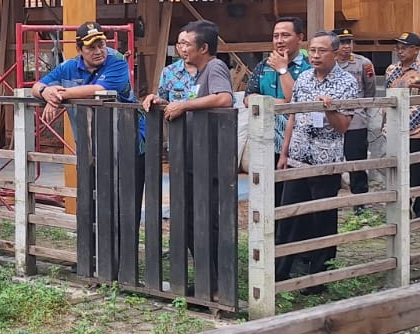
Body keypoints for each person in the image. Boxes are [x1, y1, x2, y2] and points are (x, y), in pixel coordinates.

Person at [141, 20, 233, 262]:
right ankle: (203, 269)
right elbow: (167, 101)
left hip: (210, 152)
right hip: (184, 151)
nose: (181, 48)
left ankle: (214, 275)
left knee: (207, 214)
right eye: (179, 43)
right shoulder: (175, 72)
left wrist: (185, 105)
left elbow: (224, 99)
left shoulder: (215, 67)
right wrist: (156, 101)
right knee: (187, 213)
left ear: (203, 48)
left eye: (186, 44)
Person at [33, 20, 144, 209]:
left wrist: (58, 96)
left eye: (101, 45)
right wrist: (45, 93)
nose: (98, 51)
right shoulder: (69, 66)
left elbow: (98, 89)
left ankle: (123, 239)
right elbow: (37, 86)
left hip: (128, 142)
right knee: (90, 203)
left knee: (124, 206)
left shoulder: (116, 60)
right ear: (79, 49)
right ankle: (91, 238)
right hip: (89, 147)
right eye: (91, 47)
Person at [277, 32, 361, 282]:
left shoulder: (346, 82)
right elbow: (293, 115)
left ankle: (319, 276)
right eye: (312, 50)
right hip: (297, 157)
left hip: (326, 161)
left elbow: (343, 125)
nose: (315, 55)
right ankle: (280, 272)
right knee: (289, 215)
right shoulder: (303, 78)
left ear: (335, 53)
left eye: (321, 51)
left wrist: (330, 108)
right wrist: (284, 152)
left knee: (322, 217)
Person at [384, 32, 420, 218]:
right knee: (396, 170)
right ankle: (401, 207)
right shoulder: (391, 70)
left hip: (417, 130)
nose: (400, 51)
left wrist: (419, 117)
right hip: (393, 128)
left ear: (416, 50)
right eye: (398, 47)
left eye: (404, 47)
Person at [244, 17, 307, 150]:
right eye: (275, 36)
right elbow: (248, 98)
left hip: (299, 141)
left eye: (285, 35)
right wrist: (280, 102)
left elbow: (298, 102)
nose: (279, 41)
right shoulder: (263, 65)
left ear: (300, 38)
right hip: (265, 139)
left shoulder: (309, 67)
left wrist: (283, 70)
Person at [332, 30, 376, 200]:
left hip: (356, 119)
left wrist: (362, 109)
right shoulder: (329, 63)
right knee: (332, 159)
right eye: (343, 43)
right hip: (333, 118)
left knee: (357, 160)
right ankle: (332, 196)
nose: (346, 46)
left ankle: (360, 199)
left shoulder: (363, 64)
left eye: (349, 42)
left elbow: (369, 90)